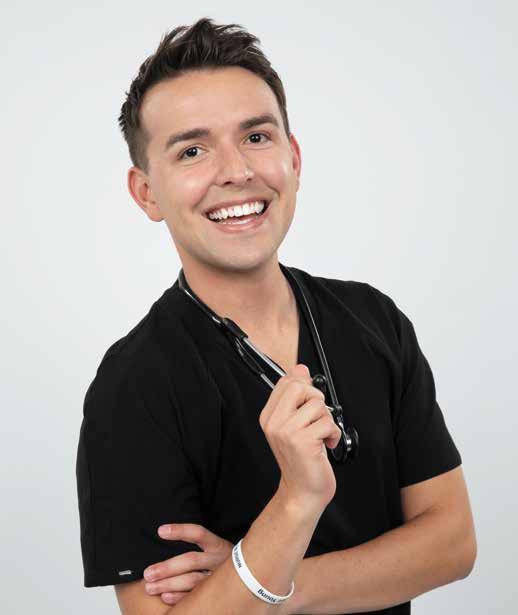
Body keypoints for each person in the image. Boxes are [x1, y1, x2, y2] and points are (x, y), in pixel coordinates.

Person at [75, 17, 477, 615]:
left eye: (257, 137)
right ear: (147, 193)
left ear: (293, 157)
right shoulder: (134, 386)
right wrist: (296, 502)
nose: (237, 171)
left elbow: (453, 544)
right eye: (192, 150)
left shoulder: (375, 321)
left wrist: (265, 581)